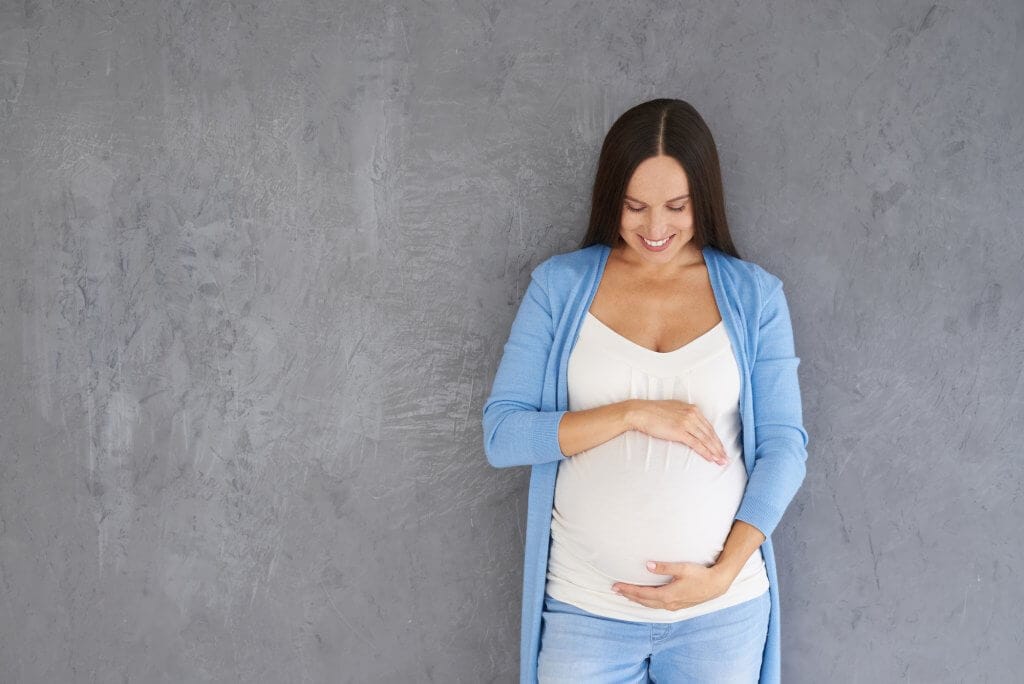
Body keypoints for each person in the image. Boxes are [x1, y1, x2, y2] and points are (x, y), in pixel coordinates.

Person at [482, 98, 809, 684]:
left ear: (702, 200)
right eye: (635, 207)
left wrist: (722, 573)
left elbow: (785, 449)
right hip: (587, 611)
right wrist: (633, 413)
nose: (655, 229)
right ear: (611, 198)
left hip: (722, 615)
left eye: (676, 207)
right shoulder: (559, 287)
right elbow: (503, 436)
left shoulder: (755, 297)